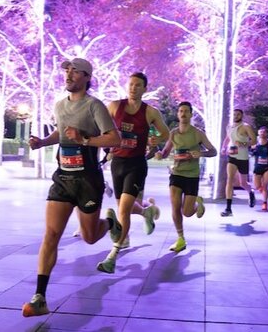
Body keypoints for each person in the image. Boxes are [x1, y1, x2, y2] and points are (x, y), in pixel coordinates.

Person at [22, 58, 121, 318]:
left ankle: (109, 223)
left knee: (89, 237)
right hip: (63, 177)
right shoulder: (59, 105)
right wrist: (43, 142)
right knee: (51, 234)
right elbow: (61, 134)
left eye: (74, 71)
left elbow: (114, 138)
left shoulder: (94, 105)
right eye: (67, 70)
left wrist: (86, 139)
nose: (68, 74)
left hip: (88, 179)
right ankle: (40, 296)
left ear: (87, 77)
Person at [97, 72, 171, 273]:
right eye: (130, 84)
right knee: (124, 208)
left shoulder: (150, 112)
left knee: (123, 210)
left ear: (144, 89)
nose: (133, 88)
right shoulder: (113, 106)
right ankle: (146, 211)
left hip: (136, 164)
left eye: (138, 85)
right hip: (117, 163)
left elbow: (165, 133)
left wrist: (156, 139)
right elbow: (99, 126)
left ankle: (113, 255)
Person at [155, 101, 217, 252]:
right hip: (176, 174)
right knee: (175, 208)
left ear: (190, 114)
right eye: (180, 111)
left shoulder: (198, 133)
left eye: (186, 111)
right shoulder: (173, 133)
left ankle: (197, 204)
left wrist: (201, 153)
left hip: (192, 176)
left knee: (187, 212)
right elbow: (165, 152)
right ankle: (180, 238)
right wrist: (159, 154)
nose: (183, 114)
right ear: (178, 114)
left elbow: (213, 151)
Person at [220, 109, 257, 217]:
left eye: (238, 114)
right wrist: (223, 148)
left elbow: (254, 140)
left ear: (242, 115)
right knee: (229, 180)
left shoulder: (246, 127)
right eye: (234, 114)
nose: (236, 116)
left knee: (243, 183)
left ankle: (251, 192)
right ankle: (228, 208)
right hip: (232, 156)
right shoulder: (230, 127)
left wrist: (243, 143)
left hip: (243, 158)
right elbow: (227, 138)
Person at [251, 127, 268, 211]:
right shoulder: (255, 143)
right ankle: (262, 193)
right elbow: (250, 153)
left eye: (264, 132)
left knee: (265, 186)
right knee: (257, 186)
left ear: (267, 134)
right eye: (261, 132)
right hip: (257, 167)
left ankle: (265, 203)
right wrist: (253, 150)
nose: (262, 133)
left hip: (266, 167)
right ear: (258, 133)